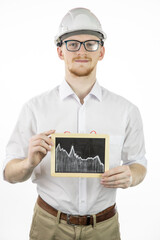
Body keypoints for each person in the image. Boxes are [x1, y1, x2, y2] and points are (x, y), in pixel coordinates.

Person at [3, 7, 147, 240]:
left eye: (90, 44)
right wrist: (28, 163)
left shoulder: (127, 111)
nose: (81, 51)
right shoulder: (34, 108)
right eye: (72, 44)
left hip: (104, 227)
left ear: (101, 51)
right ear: (60, 51)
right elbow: (9, 173)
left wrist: (132, 175)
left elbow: (139, 164)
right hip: (49, 225)